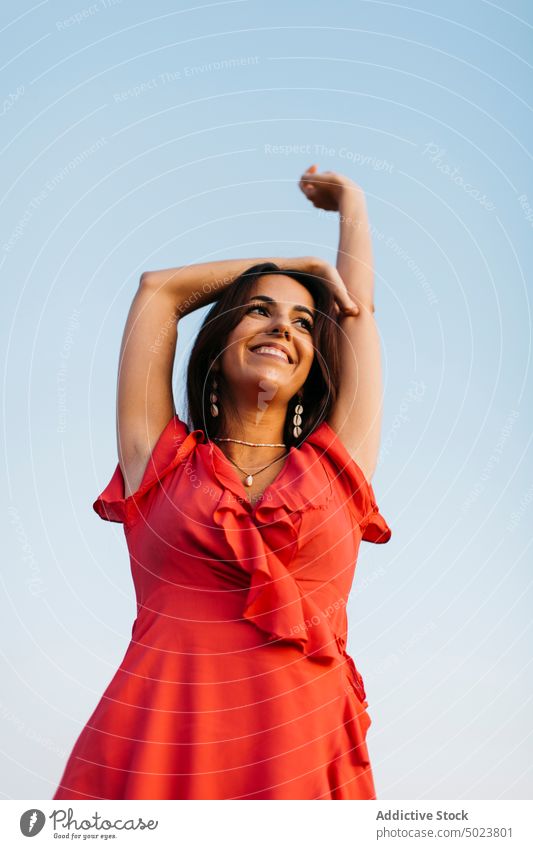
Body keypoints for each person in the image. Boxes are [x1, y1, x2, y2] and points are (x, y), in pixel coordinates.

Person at [52, 165, 392, 801]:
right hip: (156, 743)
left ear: (316, 360)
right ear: (217, 342)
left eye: (299, 321)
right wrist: (288, 262)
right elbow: (159, 290)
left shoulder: (336, 468)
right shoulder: (159, 461)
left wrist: (352, 203)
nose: (282, 327)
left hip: (301, 748)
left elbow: (357, 311)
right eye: (258, 311)